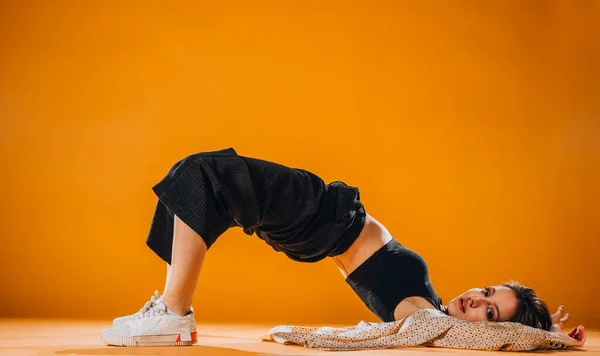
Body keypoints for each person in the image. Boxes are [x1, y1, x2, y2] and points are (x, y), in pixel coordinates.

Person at [101, 148, 586, 348]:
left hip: (321, 219)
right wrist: (539, 332)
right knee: (199, 188)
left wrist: (548, 339)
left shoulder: (426, 323)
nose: (476, 299)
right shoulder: (433, 310)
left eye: (490, 313)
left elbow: (361, 338)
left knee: (205, 175)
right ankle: (168, 310)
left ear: (491, 338)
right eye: (488, 291)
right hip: (318, 228)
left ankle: (174, 313)